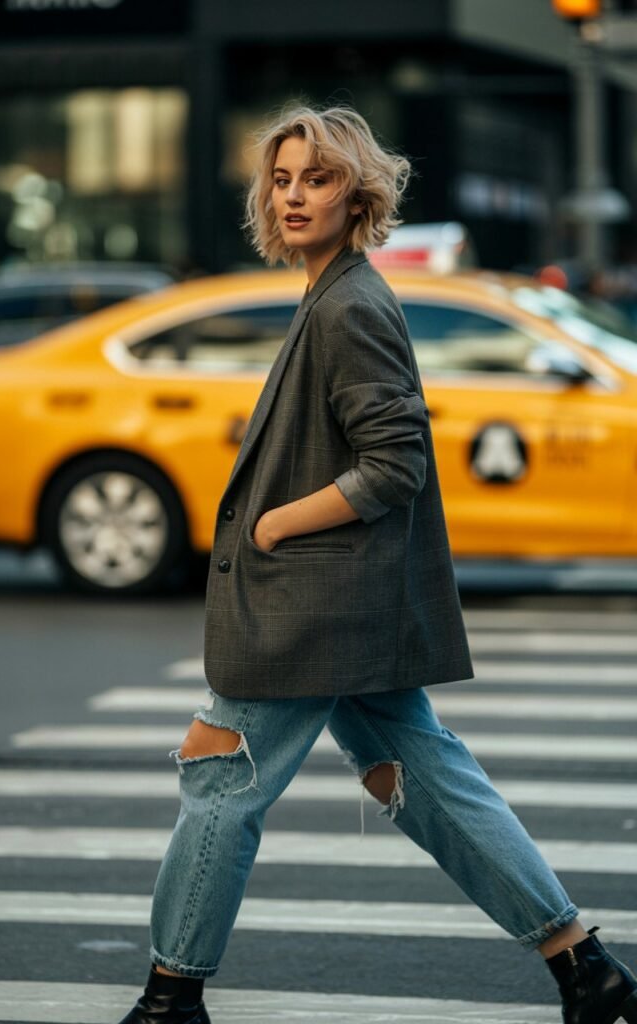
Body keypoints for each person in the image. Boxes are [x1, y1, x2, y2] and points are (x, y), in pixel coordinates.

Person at [118, 105, 637, 1024]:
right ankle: (584, 968)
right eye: (281, 181)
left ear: (358, 196)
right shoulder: (331, 293)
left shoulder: (352, 304)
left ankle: (171, 998)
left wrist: (277, 525)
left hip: (313, 605)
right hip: (348, 603)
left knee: (219, 771)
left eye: (315, 180)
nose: (292, 198)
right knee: (428, 776)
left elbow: (396, 463)